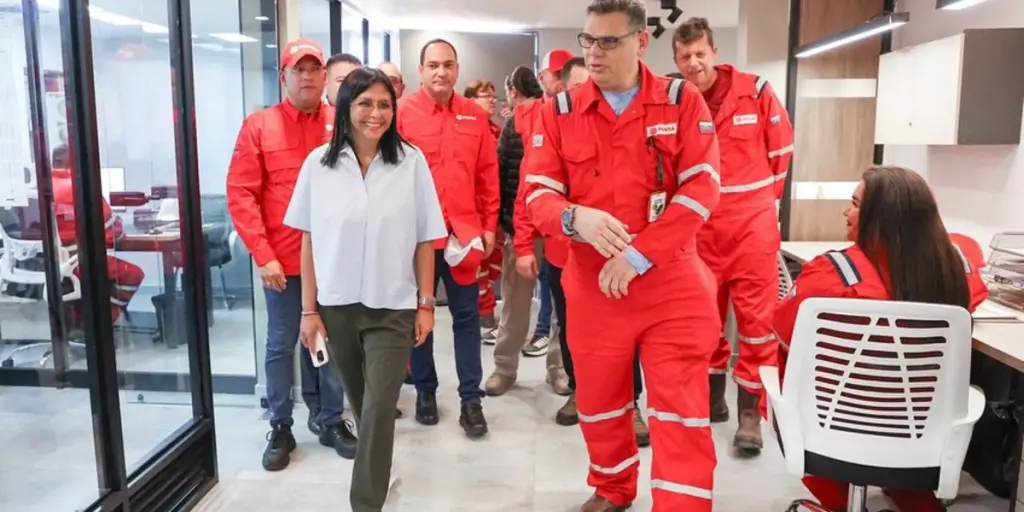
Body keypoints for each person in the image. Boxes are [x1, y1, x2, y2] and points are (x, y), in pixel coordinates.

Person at [523, 0, 721, 510]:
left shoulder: (681, 101)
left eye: (607, 41)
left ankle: (682, 504)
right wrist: (574, 218)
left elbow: (701, 189)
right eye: (588, 40)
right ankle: (613, 490)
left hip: (670, 285)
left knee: (679, 412)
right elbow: (538, 192)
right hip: (593, 288)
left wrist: (638, 255)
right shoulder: (559, 109)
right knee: (601, 404)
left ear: (640, 42)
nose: (594, 52)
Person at [771, 166, 989, 512]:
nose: (846, 211)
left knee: (782, 367)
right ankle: (915, 496)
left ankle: (838, 502)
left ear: (879, 217)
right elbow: (972, 288)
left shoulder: (832, 275)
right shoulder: (956, 269)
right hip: (920, 435)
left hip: (832, 430)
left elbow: (783, 333)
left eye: (855, 204)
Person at [285, 67, 446, 512]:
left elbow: (425, 239)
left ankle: (365, 503)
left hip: (392, 307)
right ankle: (380, 470)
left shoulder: (410, 162)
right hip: (336, 308)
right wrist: (308, 311)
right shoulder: (318, 164)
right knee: (362, 405)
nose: (376, 114)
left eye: (384, 104)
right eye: (365, 104)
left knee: (377, 409)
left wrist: (426, 303)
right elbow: (308, 239)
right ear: (345, 108)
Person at [226, 38, 354, 471]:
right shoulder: (259, 126)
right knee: (282, 343)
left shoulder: (342, 124)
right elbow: (241, 194)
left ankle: (331, 418)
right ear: (283, 76)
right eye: (297, 69)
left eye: (314, 69)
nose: (306, 76)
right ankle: (281, 424)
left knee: (330, 340)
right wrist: (263, 255)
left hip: (334, 259)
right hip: (283, 261)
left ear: (324, 76)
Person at [673, 17, 794, 456]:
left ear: (714, 51)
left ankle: (750, 415)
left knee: (757, 328)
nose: (694, 62)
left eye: (700, 53)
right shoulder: (677, 102)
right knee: (703, 322)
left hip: (751, 232)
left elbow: (781, 153)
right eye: (685, 57)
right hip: (700, 234)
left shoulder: (756, 90)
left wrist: (761, 205)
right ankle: (712, 402)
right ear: (677, 61)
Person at [544, 56, 651, 447]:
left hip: (624, 259)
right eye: (578, 87)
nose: (588, 94)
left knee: (628, 337)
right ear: (563, 88)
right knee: (573, 331)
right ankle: (578, 389)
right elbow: (532, 192)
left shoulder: (624, 125)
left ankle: (632, 403)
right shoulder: (553, 121)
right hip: (565, 254)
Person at [397, 38, 499, 438]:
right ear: (420, 70)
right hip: (417, 238)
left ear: (457, 70)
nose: (441, 72)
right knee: (418, 317)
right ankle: (425, 390)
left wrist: (489, 225)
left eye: (448, 65)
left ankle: (471, 400)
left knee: (467, 319)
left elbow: (488, 174)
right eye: (433, 65)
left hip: (464, 237)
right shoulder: (402, 115)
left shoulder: (474, 115)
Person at [483, 66, 569, 398]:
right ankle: (505, 367)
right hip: (523, 227)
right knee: (516, 303)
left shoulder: (575, 120)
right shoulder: (518, 121)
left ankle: (559, 368)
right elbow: (504, 176)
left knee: (564, 305)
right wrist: (506, 226)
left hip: (563, 230)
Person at [50, 146, 143, 326]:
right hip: (75, 262)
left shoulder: (39, 187)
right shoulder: (79, 187)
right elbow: (114, 234)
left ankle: (80, 322)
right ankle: (100, 325)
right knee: (132, 275)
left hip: (42, 263)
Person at [463, 78, 503, 335]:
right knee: (477, 267)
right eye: (484, 96)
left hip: (495, 207)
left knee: (493, 264)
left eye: (492, 96)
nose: (491, 101)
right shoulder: (467, 130)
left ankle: (487, 313)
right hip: (472, 211)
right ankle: (483, 315)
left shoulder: (497, 131)